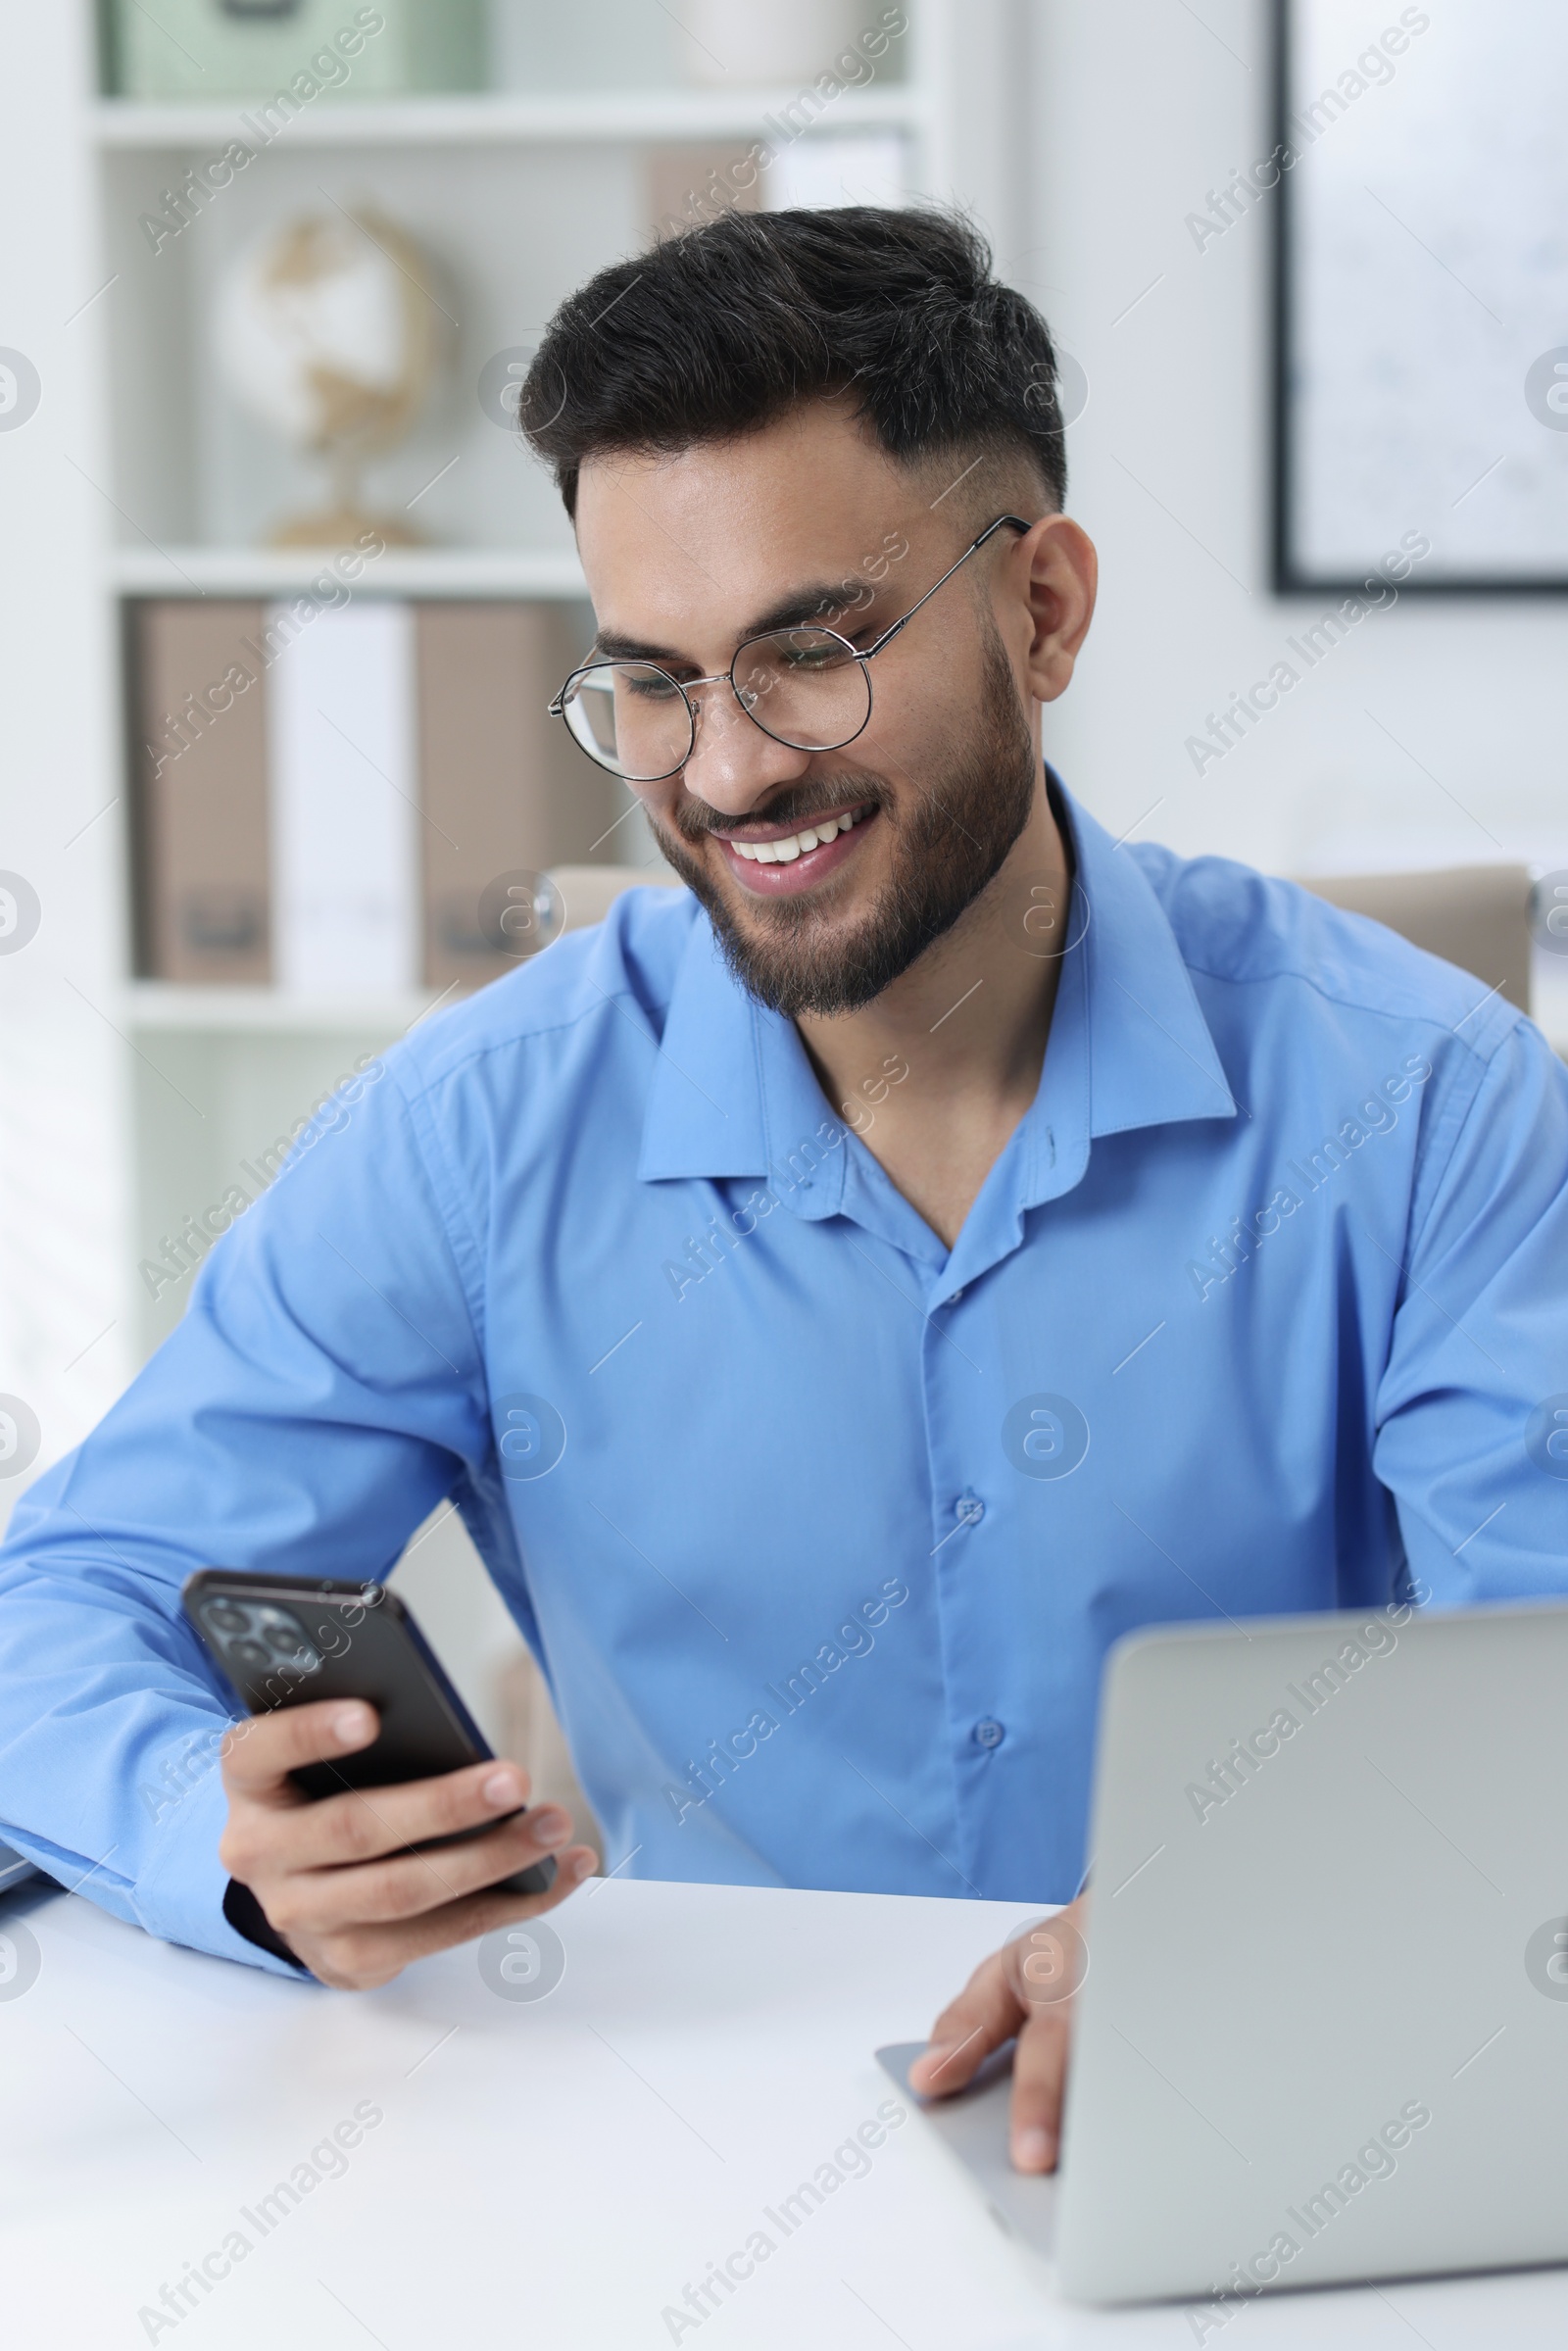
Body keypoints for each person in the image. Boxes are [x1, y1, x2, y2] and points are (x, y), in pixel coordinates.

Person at [3, 208, 1566, 2179]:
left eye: (807, 655)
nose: (726, 773)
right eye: (650, 682)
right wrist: (217, 1844)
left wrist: (1275, 1919)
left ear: (1046, 611)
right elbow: (59, 1601)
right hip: (678, 2159)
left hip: (1259, 2138)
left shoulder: (1424, 1106)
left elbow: (1547, 1706)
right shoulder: (482, 1130)